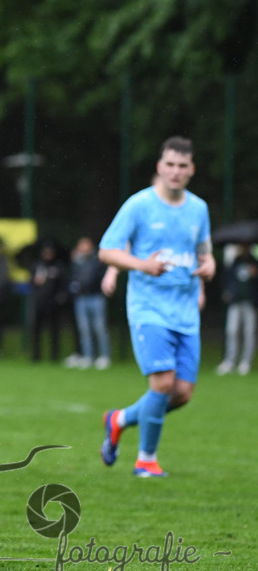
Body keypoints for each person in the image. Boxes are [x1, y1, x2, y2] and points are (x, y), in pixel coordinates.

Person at [98, 136, 215, 478]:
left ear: (191, 169)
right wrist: (141, 265)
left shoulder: (199, 209)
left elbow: (205, 253)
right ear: (160, 167)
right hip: (149, 308)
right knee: (162, 384)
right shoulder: (139, 205)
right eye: (170, 165)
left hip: (185, 312)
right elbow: (107, 251)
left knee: (181, 393)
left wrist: (208, 269)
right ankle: (146, 460)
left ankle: (118, 419)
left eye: (183, 166)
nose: (176, 171)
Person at [65, 235, 112, 370]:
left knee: (99, 328)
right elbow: (73, 277)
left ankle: (104, 356)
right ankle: (88, 356)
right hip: (81, 298)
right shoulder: (76, 261)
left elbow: (98, 277)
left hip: (96, 297)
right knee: (84, 329)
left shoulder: (98, 260)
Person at [216, 242, 257, 375]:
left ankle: (245, 362)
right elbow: (228, 279)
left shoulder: (254, 262)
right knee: (232, 331)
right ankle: (229, 361)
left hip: (250, 302)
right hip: (235, 302)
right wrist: (228, 291)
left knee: (249, 333)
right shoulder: (235, 262)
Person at [29, 240, 68, 362]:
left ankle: (54, 356)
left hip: (53, 303)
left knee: (54, 330)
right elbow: (30, 283)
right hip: (39, 302)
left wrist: (59, 299)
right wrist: (35, 281)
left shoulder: (58, 267)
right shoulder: (37, 266)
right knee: (36, 330)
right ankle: (36, 355)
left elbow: (63, 285)